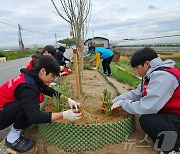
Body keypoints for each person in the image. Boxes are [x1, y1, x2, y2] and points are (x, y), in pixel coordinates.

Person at [0, 56, 82, 153]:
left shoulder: (32, 76)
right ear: (43, 71)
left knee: (30, 104)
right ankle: (12, 139)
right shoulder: (28, 88)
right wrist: (65, 115)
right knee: (27, 105)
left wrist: (68, 99)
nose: (53, 79)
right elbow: (35, 117)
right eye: (52, 76)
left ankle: (19, 126)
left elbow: (47, 89)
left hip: (5, 109)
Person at [111, 47, 180, 153]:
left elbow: (148, 107)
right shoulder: (152, 75)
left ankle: (172, 149)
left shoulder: (164, 76)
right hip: (171, 113)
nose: (136, 71)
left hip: (177, 116)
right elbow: (137, 93)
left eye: (137, 67)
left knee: (148, 121)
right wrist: (115, 100)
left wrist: (124, 104)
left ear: (147, 64)